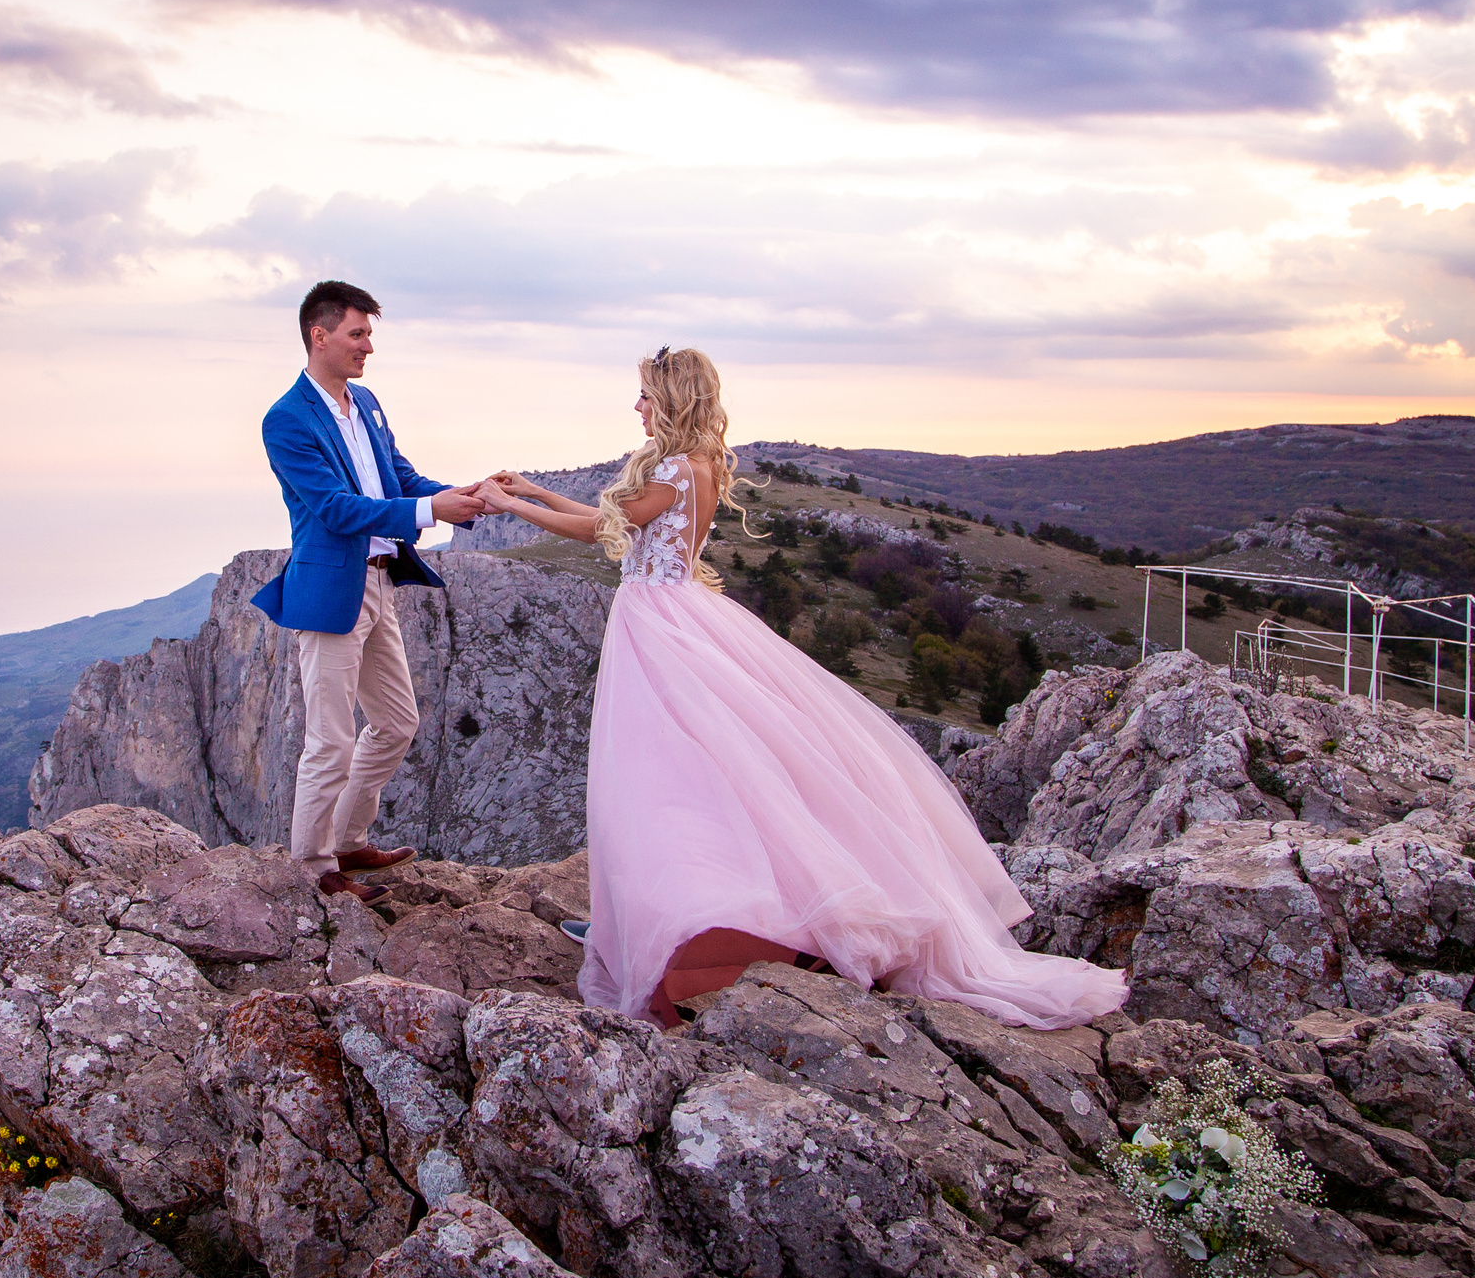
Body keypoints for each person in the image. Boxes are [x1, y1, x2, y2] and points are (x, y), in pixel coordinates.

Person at [469, 348, 1126, 1031]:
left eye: (643, 394)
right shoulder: (694, 466)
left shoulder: (672, 469)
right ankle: (631, 925)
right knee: (686, 775)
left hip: (659, 628)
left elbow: (596, 528)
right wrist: (537, 491)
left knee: (656, 779)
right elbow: (618, 518)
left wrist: (508, 503)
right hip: (672, 618)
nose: (635, 405)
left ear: (670, 398)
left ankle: (652, 930)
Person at [251, 282, 492, 902]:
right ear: (319, 335)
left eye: (369, 335)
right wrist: (427, 509)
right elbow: (333, 508)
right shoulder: (286, 419)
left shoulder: (367, 404)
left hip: (380, 584)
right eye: (358, 334)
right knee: (329, 737)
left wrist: (460, 498)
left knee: (397, 722)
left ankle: (351, 839)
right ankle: (313, 869)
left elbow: (398, 477)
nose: (368, 347)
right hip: (332, 591)